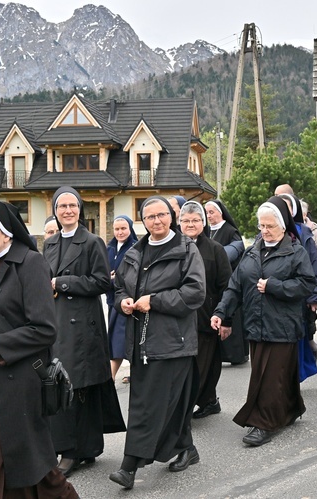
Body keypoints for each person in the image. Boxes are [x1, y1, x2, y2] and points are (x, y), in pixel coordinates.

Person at [0, 197, 78, 498]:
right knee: (25, 465)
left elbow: (44, 330)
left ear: (6, 232)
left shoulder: (31, 264)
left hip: (20, 383)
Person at [110, 196, 205, 490]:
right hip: (140, 342)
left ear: (171, 216)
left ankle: (129, 466)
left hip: (171, 340)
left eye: (162, 215)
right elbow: (117, 288)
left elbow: (195, 292)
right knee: (167, 401)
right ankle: (186, 447)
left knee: (146, 405)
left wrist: (155, 300)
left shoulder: (186, 249)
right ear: (143, 220)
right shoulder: (135, 252)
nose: (157, 221)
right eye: (150, 217)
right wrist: (122, 302)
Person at [211, 196, 316, 446]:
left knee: (268, 377)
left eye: (270, 226)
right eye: (261, 226)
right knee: (272, 373)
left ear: (283, 225)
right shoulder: (252, 251)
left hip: (282, 326)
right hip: (255, 325)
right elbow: (234, 287)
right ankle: (290, 408)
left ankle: (263, 423)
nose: (265, 231)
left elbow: (307, 285)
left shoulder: (295, 251)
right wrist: (220, 313)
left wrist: (274, 286)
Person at [43, 186, 125, 477]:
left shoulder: (92, 242)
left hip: (83, 324)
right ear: (55, 210)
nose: (67, 210)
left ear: (80, 209)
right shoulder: (49, 244)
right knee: (62, 384)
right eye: (62, 206)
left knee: (79, 385)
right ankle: (76, 447)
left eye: (72, 206)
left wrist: (63, 283)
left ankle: (75, 450)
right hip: (56, 323)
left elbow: (102, 282)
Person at [178, 201, 232, 419]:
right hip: (178, 317)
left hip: (207, 318)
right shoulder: (173, 246)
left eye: (195, 220)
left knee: (202, 366)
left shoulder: (215, 249)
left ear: (203, 222)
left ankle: (183, 409)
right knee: (187, 366)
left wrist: (226, 318)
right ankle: (209, 401)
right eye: (186, 221)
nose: (191, 224)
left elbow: (227, 286)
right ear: (179, 223)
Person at [276, 192, 317, 380]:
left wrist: (315, 295)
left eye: (286, 207)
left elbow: (315, 264)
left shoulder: (303, 232)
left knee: (299, 338)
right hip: (275, 294)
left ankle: (294, 377)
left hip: (299, 294)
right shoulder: (267, 231)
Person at [205, 199, 247, 364]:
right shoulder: (207, 231)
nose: (209, 216)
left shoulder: (230, 230)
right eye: (207, 212)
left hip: (227, 278)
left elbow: (236, 251)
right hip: (211, 280)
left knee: (230, 315)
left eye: (212, 212)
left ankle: (236, 355)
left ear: (220, 212)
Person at [106, 215, 138, 383]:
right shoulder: (109, 248)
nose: (120, 232)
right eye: (117, 229)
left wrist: (115, 278)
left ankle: (110, 378)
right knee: (115, 340)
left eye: (123, 228)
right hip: (112, 301)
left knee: (120, 340)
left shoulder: (135, 247)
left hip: (127, 301)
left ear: (130, 228)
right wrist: (107, 278)